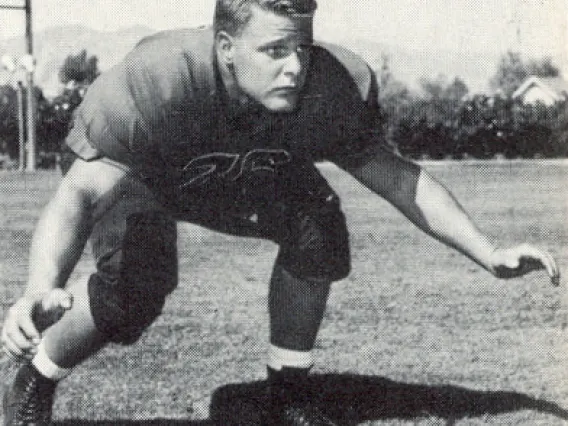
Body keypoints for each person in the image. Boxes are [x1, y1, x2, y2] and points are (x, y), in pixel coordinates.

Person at [1, 0, 560, 425]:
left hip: (247, 169)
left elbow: (394, 175)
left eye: (303, 47)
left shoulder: (329, 85)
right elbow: (79, 194)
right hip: (153, 176)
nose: (295, 67)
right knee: (135, 293)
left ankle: (286, 391)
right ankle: (35, 373)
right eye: (273, 51)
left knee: (319, 227)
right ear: (225, 47)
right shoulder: (158, 80)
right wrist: (39, 287)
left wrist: (487, 250)